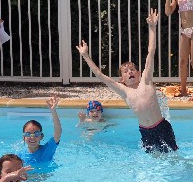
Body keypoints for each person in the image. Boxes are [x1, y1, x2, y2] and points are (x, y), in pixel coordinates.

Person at [76, 9, 179, 153]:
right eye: (126, 71)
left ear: (138, 73)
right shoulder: (123, 90)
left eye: (132, 69)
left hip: (161, 126)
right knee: (154, 162)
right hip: (146, 131)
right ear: (121, 79)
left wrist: (153, 28)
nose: (130, 72)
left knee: (173, 156)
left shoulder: (146, 81)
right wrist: (86, 56)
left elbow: (151, 52)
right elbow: (99, 74)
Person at [17, 96, 62, 166]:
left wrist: (53, 111)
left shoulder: (47, 150)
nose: (32, 137)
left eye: (36, 134)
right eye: (28, 134)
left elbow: (58, 133)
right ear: (24, 137)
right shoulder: (19, 155)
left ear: (41, 136)